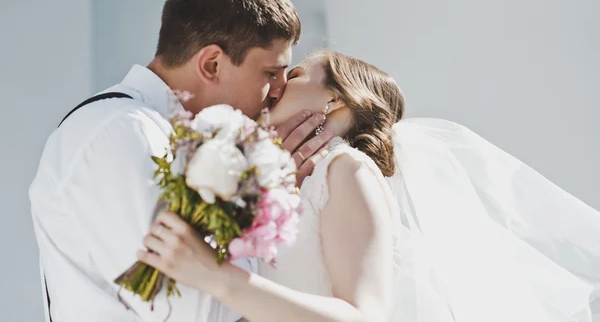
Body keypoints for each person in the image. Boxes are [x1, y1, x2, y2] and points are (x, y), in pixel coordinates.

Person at [138, 50, 600, 322]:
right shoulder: (289, 181)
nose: (277, 84)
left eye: (294, 75)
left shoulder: (349, 172)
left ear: (335, 98)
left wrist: (215, 276)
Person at [29, 0, 333, 322]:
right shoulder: (120, 131)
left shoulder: (165, 132)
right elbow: (193, 311)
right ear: (212, 64)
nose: (279, 91)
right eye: (269, 73)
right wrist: (268, 195)